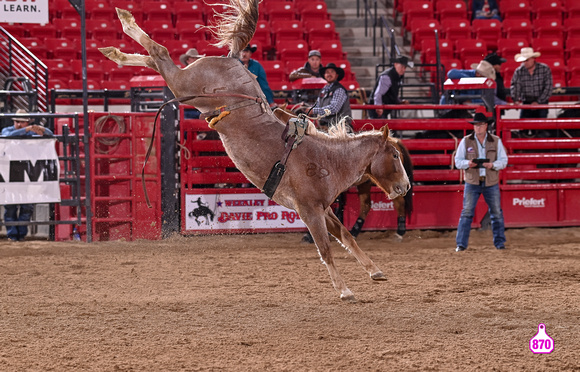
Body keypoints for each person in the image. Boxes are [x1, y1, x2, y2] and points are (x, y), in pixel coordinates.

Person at [454, 112, 508, 252]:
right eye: (476, 125)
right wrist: (468, 163)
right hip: (474, 181)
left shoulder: (496, 141)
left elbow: (504, 161)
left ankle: (500, 243)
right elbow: (458, 161)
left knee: (496, 213)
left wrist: (493, 165)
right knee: (467, 212)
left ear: (486, 126)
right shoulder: (466, 141)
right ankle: (461, 244)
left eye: (481, 125)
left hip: (489, 181)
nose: (478, 127)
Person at [1, 109, 53, 242]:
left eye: (22, 122)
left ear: (27, 122)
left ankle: (20, 235)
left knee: (26, 207)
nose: (18, 124)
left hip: (27, 174)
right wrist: (27, 129)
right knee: (10, 207)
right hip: (10, 174)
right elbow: (7, 136)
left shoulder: (31, 133)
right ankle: (13, 235)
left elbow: (50, 135)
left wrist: (41, 129)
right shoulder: (8, 131)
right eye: (17, 121)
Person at [510, 47, 553, 119]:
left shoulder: (544, 69)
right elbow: (515, 86)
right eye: (523, 61)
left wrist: (538, 102)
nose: (525, 63)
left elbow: (548, 87)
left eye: (527, 60)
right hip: (526, 102)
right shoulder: (519, 71)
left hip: (542, 102)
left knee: (541, 126)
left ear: (533, 59)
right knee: (523, 126)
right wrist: (516, 100)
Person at [308, 62, 352, 130]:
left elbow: (334, 109)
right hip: (328, 126)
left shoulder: (339, 89)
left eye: (332, 72)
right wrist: (308, 108)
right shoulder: (324, 90)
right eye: (327, 72)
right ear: (324, 75)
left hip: (339, 127)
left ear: (336, 75)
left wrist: (313, 111)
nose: (329, 74)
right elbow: (317, 105)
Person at [179, 48, 206, 119]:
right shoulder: (182, 75)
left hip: (201, 107)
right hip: (187, 108)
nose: (194, 60)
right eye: (192, 58)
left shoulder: (203, 74)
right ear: (187, 61)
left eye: (196, 58)